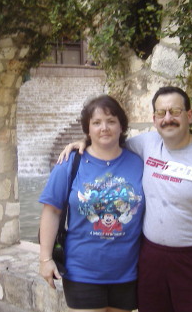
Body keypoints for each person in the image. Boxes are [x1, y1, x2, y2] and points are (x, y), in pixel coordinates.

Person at [58, 86, 192, 312]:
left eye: (175, 111)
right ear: (154, 119)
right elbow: (107, 142)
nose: (168, 118)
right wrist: (83, 143)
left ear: (189, 115)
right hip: (150, 259)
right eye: (161, 113)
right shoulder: (146, 144)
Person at [39, 95, 145, 312]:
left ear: (121, 126)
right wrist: (45, 259)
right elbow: (51, 211)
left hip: (127, 272)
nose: (104, 128)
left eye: (111, 121)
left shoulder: (138, 163)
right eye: (96, 123)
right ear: (88, 129)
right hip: (82, 272)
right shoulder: (70, 163)